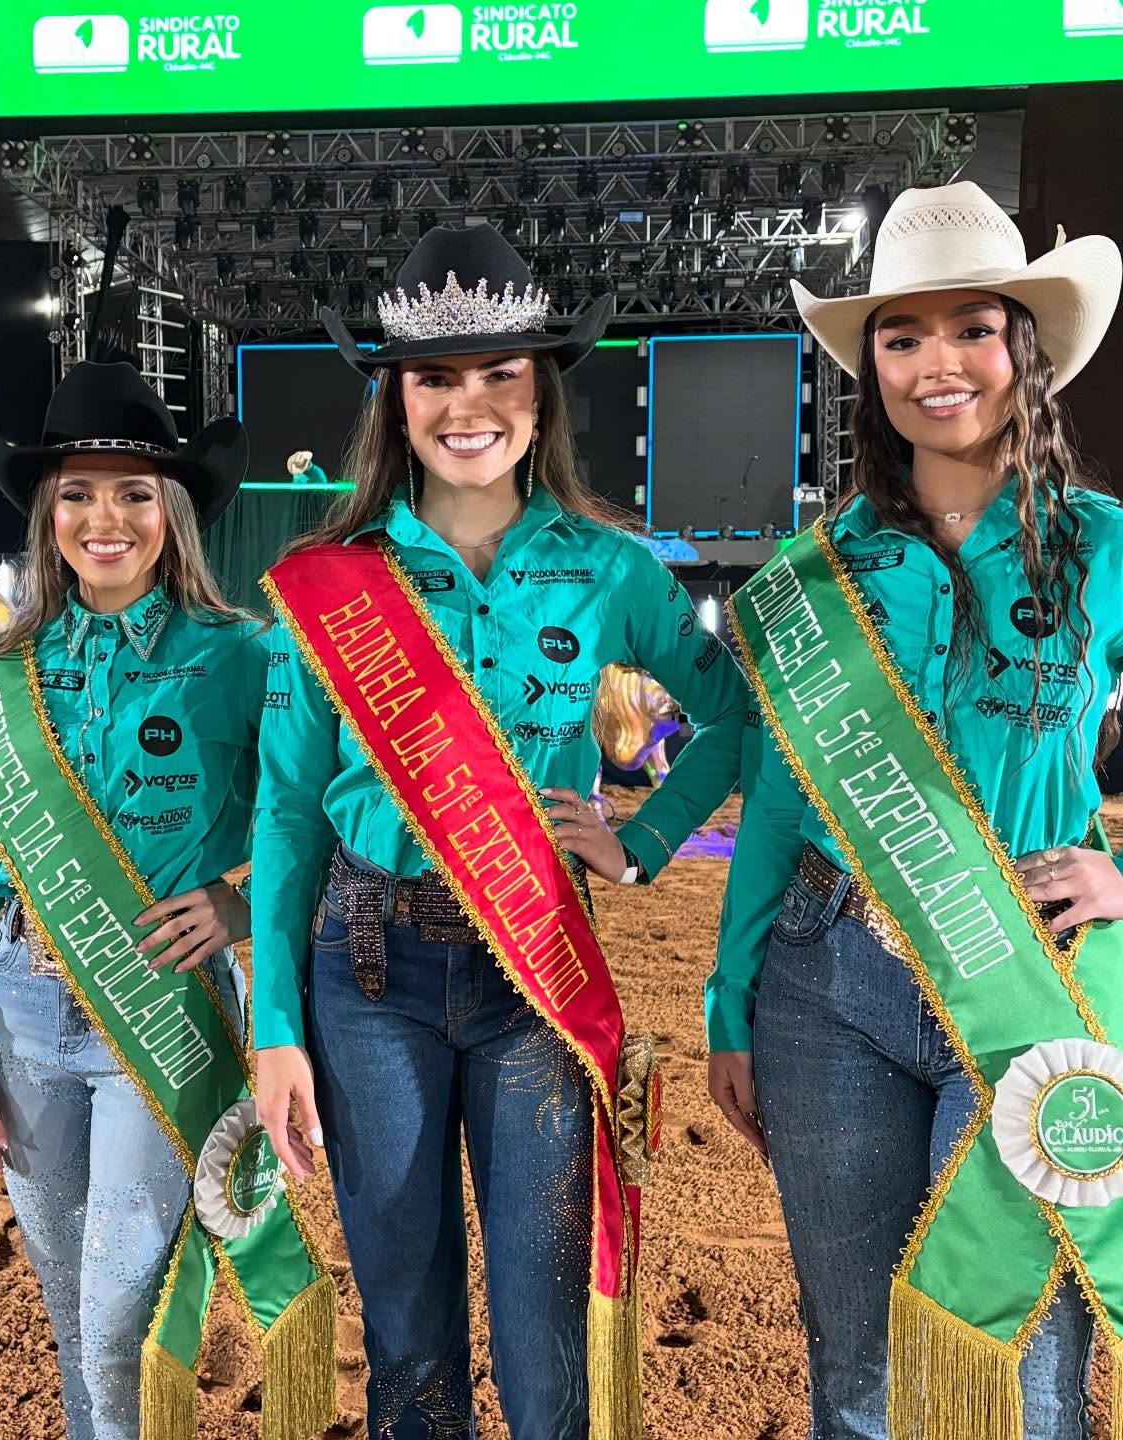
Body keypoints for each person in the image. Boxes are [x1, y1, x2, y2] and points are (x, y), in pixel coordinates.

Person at [252, 222, 749, 1440]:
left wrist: (642, 841)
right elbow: (287, 810)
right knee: (410, 1348)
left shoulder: (612, 567)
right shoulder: (328, 578)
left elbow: (737, 719)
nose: (467, 406)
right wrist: (275, 1029)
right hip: (364, 976)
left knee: (545, 1344)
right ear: (395, 397)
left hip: (536, 976)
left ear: (542, 396)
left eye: (500, 374)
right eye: (435, 377)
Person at [707, 181, 1123, 1440]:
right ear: (871, 367)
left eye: (972, 329)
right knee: (858, 1368)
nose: (938, 364)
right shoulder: (813, 575)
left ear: (1021, 350)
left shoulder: (1104, 545)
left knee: (1018, 1372)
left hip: (1028, 970)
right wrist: (730, 1005)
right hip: (824, 983)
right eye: (903, 336)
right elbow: (775, 800)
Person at [0, 361, 334, 1440]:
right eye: (77, 493)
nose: (103, 520)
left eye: (134, 494)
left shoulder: (243, 655)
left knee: (120, 1315)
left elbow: (318, 814)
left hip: (163, 1004)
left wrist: (239, 911)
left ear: (174, 513)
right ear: (46, 512)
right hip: (21, 1010)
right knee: (74, 1311)